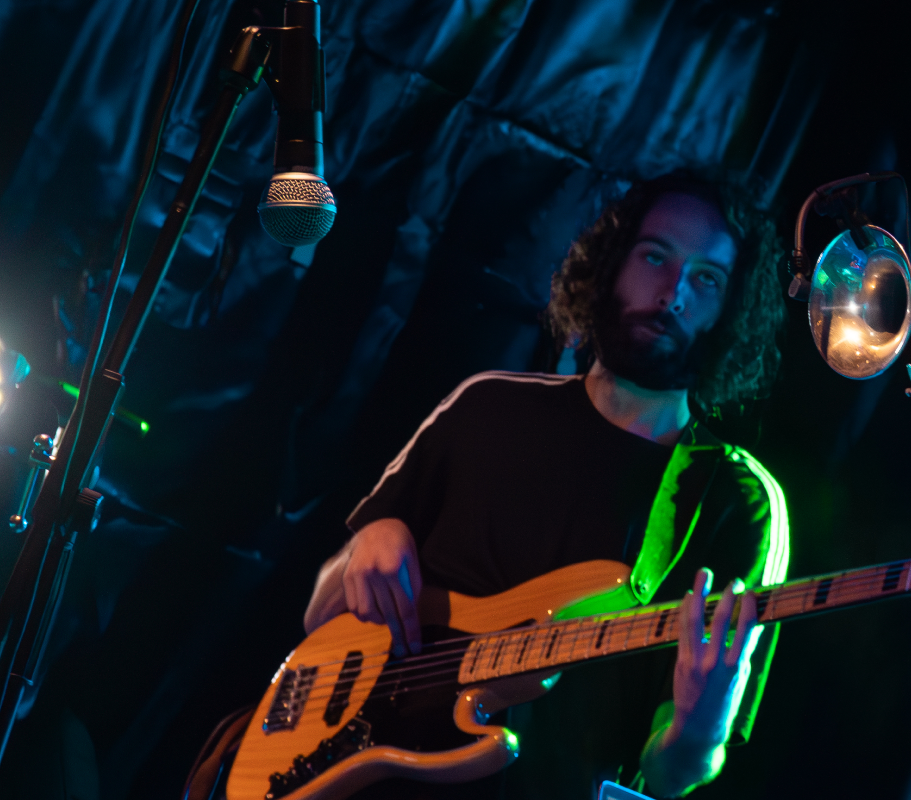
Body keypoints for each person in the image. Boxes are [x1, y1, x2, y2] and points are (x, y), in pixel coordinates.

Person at [300, 173, 793, 798]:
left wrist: (700, 728)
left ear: (733, 310)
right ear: (612, 263)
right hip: (358, 772)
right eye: (655, 256)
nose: (672, 293)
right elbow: (321, 613)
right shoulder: (487, 406)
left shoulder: (739, 501)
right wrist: (371, 539)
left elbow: (671, 777)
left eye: (706, 278)